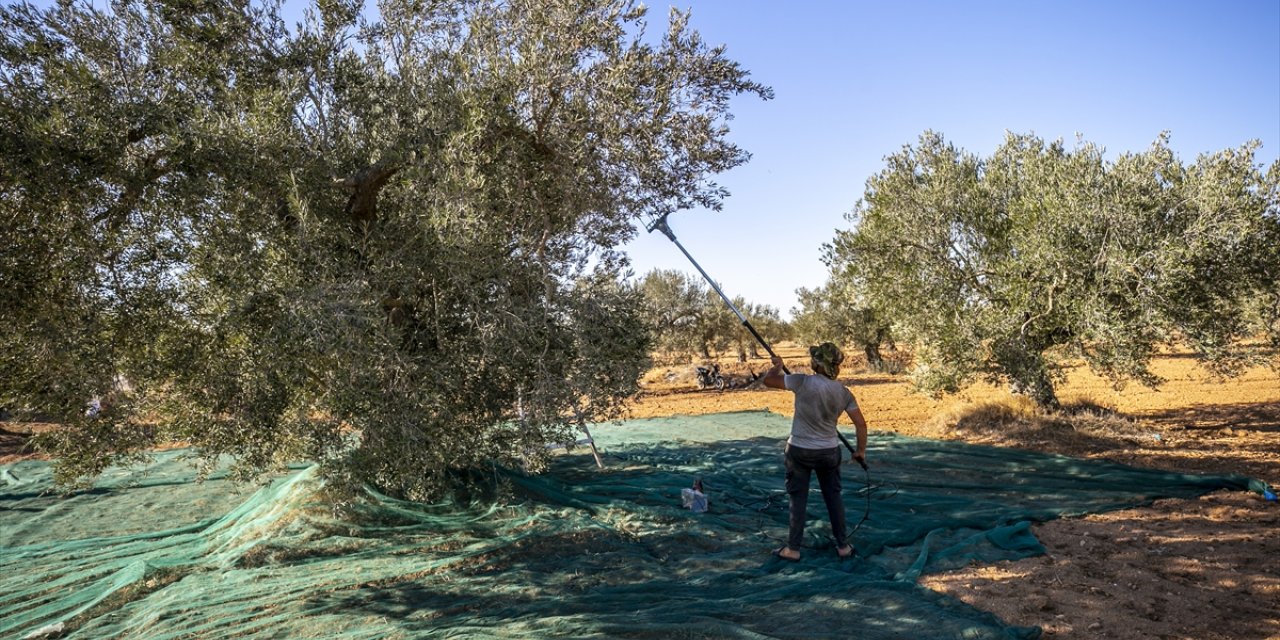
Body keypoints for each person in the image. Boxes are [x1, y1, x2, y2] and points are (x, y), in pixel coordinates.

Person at [763, 342, 868, 562]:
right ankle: (843, 546)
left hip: (799, 450)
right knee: (833, 497)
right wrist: (860, 451)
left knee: (798, 498)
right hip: (829, 452)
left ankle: (793, 549)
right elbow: (861, 425)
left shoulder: (802, 381)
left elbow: (768, 381)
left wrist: (777, 367)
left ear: (817, 363)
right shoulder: (844, 393)